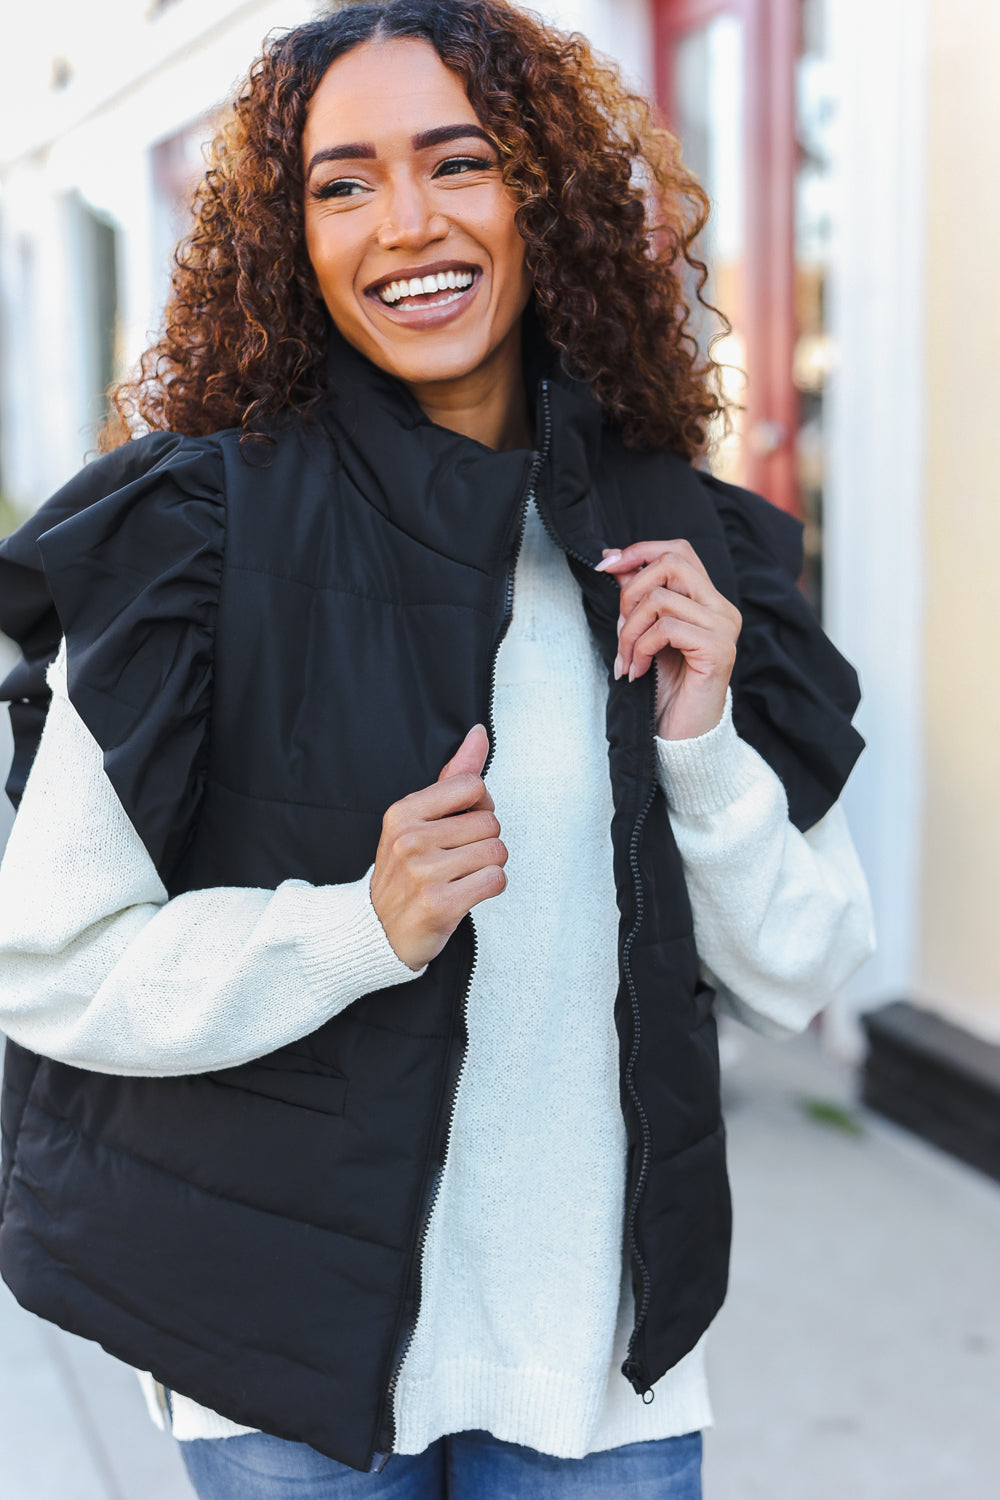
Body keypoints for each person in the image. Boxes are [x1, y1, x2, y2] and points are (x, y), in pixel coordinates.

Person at [0, 2, 875, 1496]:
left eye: (457, 162)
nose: (406, 223)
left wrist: (707, 748)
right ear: (293, 238)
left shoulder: (679, 546)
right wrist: (357, 927)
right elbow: (47, 961)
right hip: (287, 1385)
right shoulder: (198, 544)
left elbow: (798, 968)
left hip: (598, 1379)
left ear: (545, 196)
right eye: (343, 183)